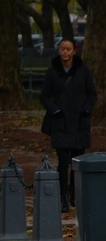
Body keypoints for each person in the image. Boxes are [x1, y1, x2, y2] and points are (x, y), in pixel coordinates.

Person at [40, 37, 97, 212]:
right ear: (59, 51)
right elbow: (44, 96)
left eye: (68, 49)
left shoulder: (83, 71)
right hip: (60, 123)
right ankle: (62, 196)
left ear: (74, 51)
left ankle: (75, 196)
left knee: (77, 161)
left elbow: (91, 93)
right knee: (63, 161)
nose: (65, 52)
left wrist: (86, 110)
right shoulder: (52, 72)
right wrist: (54, 110)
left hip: (79, 122)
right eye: (62, 49)